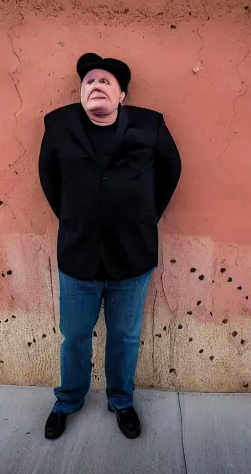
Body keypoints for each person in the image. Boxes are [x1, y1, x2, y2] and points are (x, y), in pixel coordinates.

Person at [38, 52, 182, 440]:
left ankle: (121, 400)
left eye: (105, 81)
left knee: (125, 337)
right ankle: (68, 400)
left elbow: (171, 170)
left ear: (122, 95)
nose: (95, 84)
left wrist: (144, 216)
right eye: (89, 81)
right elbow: (49, 178)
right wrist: (73, 217)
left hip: (132, 255)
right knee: (75, 336)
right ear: (81, 93)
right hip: (78, 254)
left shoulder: (150, 125)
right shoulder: (58, 125)